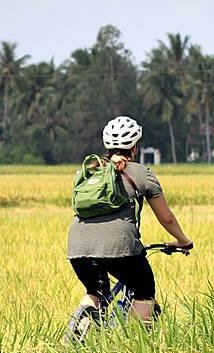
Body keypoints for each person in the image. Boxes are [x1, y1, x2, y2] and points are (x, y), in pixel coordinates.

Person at [67, 115, 193, 327]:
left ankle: (76, 334)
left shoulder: (87, 170)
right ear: (134, 146)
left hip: (77, 247)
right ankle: (135, 343)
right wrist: (183, 240)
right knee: (144, 288)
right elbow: (166, 217)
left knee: (95, 291)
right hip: (121, 247)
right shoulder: (141, 173)